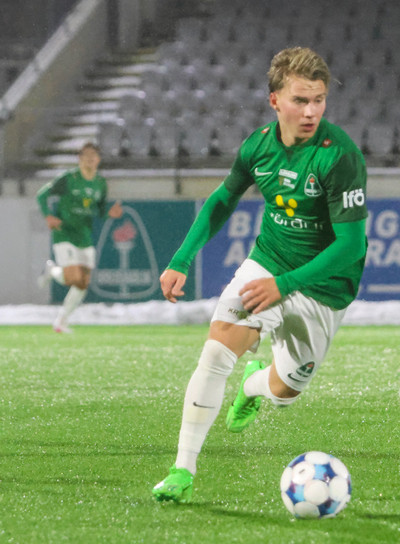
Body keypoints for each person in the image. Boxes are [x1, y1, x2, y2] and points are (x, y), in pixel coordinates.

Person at [152, 47, 368, 503]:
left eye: (319, 100)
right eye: (300, 100)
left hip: (324, 287)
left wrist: (284, 286)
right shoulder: (257, 147)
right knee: (216, 351)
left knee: (286, 389)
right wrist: (181, 258)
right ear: (275, 100)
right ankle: (182, 470)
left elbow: (351, 246)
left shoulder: (340, 157)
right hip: (267, 263)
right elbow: (222, 200)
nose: (311, 112)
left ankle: (253, 385)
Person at [36, 142, 123, 333]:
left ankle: (61, 321)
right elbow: (42, 194)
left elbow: (100, 211)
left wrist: (110, 213)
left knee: (82, 284)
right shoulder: (68, 178)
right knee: (73, 278)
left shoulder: (100, 183)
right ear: (80, 159)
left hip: (84, 236)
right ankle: (52, 270)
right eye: (86, 155)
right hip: (64, 232)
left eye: (93, 155)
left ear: (98, 159)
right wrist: (48, 216)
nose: (90, 159)